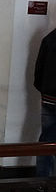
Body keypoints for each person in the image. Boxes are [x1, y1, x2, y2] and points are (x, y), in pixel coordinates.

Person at [34, 28, 56, 179]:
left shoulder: (49, 39)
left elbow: (38, 71)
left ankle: (42, 183)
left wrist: (44, 90)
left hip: (49, 98)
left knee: (46, 141)